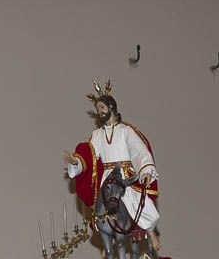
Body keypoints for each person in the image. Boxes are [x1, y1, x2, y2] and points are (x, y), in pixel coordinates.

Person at [63, 84, 161, 249]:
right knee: (101, 207)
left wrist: (145, 170)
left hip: (125, 174)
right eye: (97, 108)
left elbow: (139, 151)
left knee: (137, 202)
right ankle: (108, 240)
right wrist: (77, 162)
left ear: (111, 107)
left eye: (102, 106)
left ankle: (151, 232)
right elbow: (90, 154)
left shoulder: (126, 131)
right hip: (107, 177)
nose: (100, 110)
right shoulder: (97, 135)